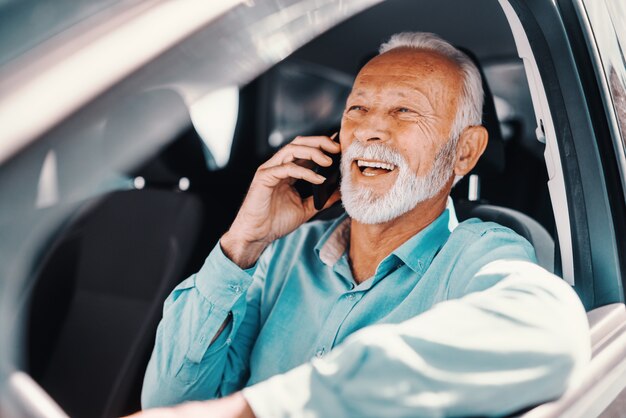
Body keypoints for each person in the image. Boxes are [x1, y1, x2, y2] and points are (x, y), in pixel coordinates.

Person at [137, 32, 590, 418]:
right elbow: (169, 400)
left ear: (465, 152)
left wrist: (263, 407)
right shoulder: (283, 253)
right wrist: (244, 241)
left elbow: (551, 329)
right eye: (357, 110)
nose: (370, 131)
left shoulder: (476, 253)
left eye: (404, 112)